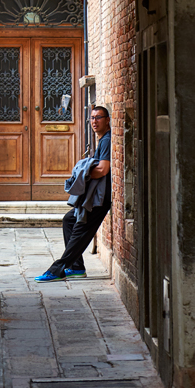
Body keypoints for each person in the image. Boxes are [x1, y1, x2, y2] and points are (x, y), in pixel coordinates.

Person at [35, 105, 112, 282]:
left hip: (99, 199)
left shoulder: (107, 140)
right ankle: (77, 267)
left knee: (79, 232)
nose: (94, 121)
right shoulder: (102, 140)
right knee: (69, 220)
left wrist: (82, 174)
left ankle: (57, 270)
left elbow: (103, 169)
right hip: (93, 197)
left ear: (107, 120)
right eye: (92, 118)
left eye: (98, 117)